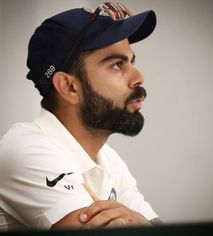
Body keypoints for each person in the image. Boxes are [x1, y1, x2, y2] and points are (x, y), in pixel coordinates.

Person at [0, 2, 160, 231]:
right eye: (117, 64)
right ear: (69, 87)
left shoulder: (109, 160)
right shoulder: (25, 148)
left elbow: (156, 226)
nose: (138, 77)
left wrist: (140, 222)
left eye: (131, 61)